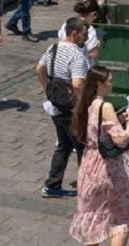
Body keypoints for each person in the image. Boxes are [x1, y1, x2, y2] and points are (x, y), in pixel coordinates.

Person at [69, 66, 129, 246]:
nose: (112, 83)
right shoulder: (105, 106)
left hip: (88, 165)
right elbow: (122, 140)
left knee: (92, 213)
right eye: (109, 80)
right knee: (123, 214)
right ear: (99, 84)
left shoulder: (85, 104)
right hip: (107, 168)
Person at [38, 17, 91, 199]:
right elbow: (77, 85)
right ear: (74, 33)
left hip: (55, 105)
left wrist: (48, 90)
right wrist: (82, 105)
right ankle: (87, 187)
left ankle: (52, 184)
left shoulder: (52, 48)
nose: (86, 38)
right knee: (83, 148)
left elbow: (39, 69)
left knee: (64, 145)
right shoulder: (77, 57)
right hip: (71, 110)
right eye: (84, 34)